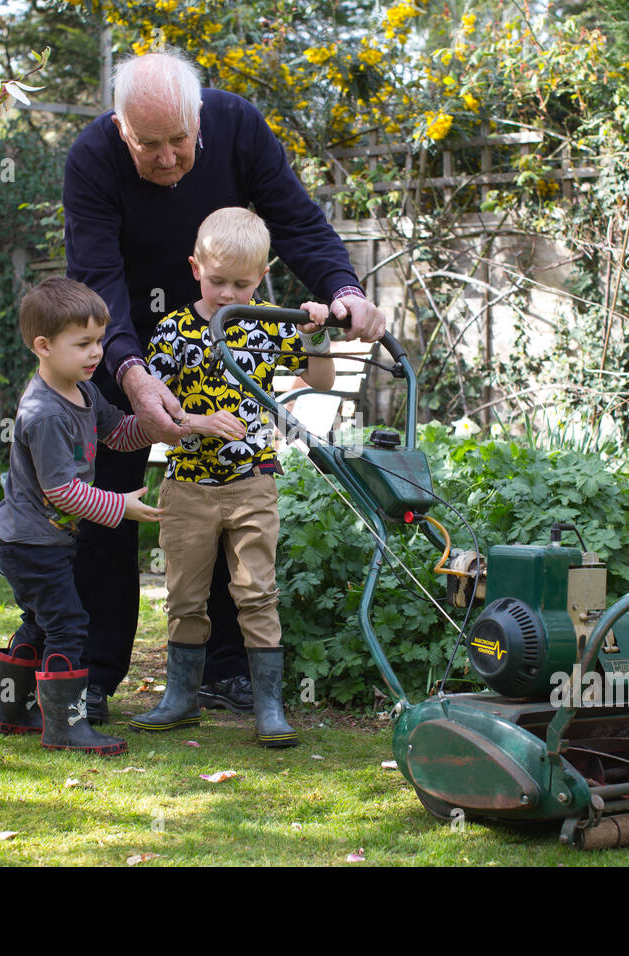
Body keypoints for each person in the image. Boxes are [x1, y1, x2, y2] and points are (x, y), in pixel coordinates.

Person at [62, 49, 386, 722]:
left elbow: (296, 221)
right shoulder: (92, 160)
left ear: (198, 117)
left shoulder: (237, 126)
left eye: (179, 140)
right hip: (130, 345)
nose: (166, 157)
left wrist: (342, 290)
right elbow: (97, 276)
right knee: (106, 503)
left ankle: (227, 671)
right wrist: (129, 372)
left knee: (229, 490)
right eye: (146, 144)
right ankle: (95, 670)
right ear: (120, 128)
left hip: (230, 342)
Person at [130, 207, 334, 747]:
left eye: (242, 284)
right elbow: (154, 411)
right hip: (187, 487)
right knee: (185, 596)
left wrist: (314, 331)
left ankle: (270, 708)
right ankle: (181, 699)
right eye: (218, 281)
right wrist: (195, 421)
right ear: (196, 268)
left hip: (252, 483)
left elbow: (321, 377)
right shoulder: (175, 330)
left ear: (261, 275)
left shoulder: (267, 322)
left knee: (256, 593)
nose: (227, 293)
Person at [0, 277, 163, 756]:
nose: (96, 354)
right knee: (68, 624)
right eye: (83, 343)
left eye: (100, 342)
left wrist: (157, 420)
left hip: (40, 540)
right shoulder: (44, 413)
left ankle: (14, 709)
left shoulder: (82, 393)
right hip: (28, 543)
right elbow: (61, 491)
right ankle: (65, 725)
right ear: (43, 346)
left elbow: (120, 435)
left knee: (42, 621)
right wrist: (120, 506)